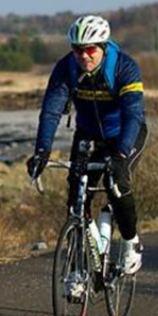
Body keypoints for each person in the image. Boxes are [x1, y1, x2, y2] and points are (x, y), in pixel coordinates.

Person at [26, 14, 148, 274]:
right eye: (77, 50)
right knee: (76, 199)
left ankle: (130, 242)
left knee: (117, 184)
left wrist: (121, 153)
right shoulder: (66, 68)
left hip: (124, 134)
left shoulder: (123, 67)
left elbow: (133, 114)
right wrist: (42, 150)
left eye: (90, 49)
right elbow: (51, 111)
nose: (84, 56)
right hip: (88, 134)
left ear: (102, 47)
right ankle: (80, 265)